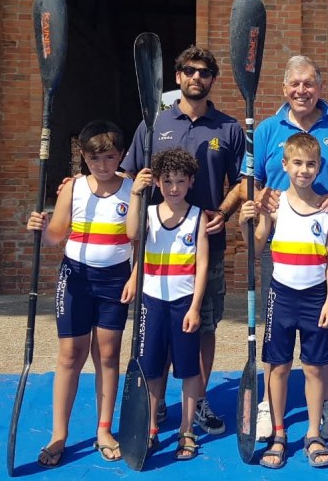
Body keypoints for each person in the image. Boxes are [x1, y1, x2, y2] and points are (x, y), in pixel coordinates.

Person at [122, 45, 244, 434]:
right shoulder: (153, 124)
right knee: (157, 330)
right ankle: (155, 403)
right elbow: (129, 176)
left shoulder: (228, 128)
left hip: (207, 246)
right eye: (189, 71)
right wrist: (84, 185)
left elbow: (243, 183)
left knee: (203, 326)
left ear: (212, 80)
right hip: (158, 248)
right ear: (178, 77)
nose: (196, 77)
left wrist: (222, 213)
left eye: (204, 72)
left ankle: (200, 399)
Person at [242, 55, 328, 443]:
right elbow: (251, 183)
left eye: (309, 83)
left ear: (320, 87)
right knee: (275, 335)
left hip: (325, 243)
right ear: (284, 88)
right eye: (294, 84)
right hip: (280, 242)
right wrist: (257, 202)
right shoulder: (266, 130)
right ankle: (267, 407)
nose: (301, 90)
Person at [26, 120, 136, 468]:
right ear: (84, 158)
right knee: (70, 355)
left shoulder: (132, 188)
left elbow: (141, 239)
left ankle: (104, 430)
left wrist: (135, 277)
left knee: (107, 355)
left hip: (115, 280)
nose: (102, 165)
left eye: (110, 157)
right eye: (94, 159)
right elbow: (55, 235)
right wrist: (42, 227)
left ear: (121, 155)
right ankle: (59, 434)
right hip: (75, 278)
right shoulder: (73, 188)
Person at [239, 133, 328, 469]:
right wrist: (243, 222)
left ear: (319, 167)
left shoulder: (327, 208)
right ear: (284, 165)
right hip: (281, 296)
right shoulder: (275, 205)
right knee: (278, 367)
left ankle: (314, 434)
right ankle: (279, 434)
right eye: (297, 163)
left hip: (315, 298)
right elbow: (256, 244)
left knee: (313, 368)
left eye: (310, 164)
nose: (303, 170)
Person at [126, 147, 208, 461]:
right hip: (152, 301)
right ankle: (149, 427)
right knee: (150, 368)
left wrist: (195, 307)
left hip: (184, 302)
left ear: (190, 182)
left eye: (180, 181)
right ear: (158, 182)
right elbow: (132, 234)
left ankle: (187, 430)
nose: (174, 188)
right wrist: (136, 193)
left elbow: (202, 265)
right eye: (168, 181)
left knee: (189, 369)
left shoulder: (198, 216)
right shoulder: (148, 213)